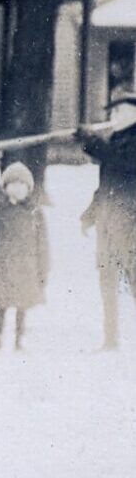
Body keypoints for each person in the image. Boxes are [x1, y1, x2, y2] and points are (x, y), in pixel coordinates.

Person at [79, 91, 136, 349]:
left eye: (119, 111)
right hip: (108, 221)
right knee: (108, 280)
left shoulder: (130, 142)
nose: (113, 117)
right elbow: (107, 184)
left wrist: (91, 142)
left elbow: (122, 162)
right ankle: (110, 339)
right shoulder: (116, 139)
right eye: (111, 112)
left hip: (131, 221)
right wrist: (90, 214)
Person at [0, 162, 49, 351]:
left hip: (26, 266)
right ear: (4, 188)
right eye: (13, 184)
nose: (18, 188)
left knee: (23, 303)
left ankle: (18, 340)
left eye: (22, 184)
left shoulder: (35, 213)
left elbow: (43, 244)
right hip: (3, 266)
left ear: (29, 188)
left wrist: (43, 269)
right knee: (2, 304)